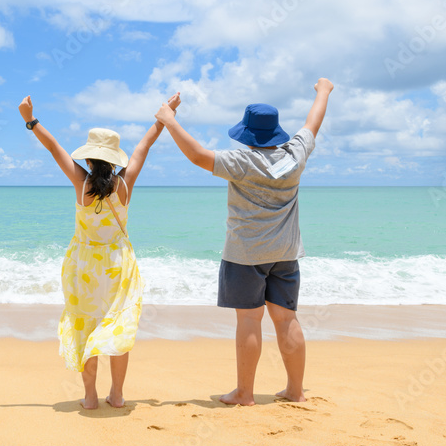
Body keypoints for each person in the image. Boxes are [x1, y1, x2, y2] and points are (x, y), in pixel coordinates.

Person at [154, 78, 334, 405]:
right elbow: (313, 122)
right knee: (286, 319)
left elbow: (197, 156)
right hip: (285, 254)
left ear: (248, 135)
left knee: (249, 319)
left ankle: (244, 393)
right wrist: (323, 91)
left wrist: (169, 120)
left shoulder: (242, 162)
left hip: (245, 255)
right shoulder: (295, 155)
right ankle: (296, 391)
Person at [18, 93, 180, 409]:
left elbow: (54, 148)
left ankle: (90, 397)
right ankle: (117, 395)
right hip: (118, 265)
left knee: (86, 325)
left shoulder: (82, 184)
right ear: (114, 160)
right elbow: (144, 146)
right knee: (118, 326)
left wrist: (30, 119)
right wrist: (165, 115)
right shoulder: (125, 184)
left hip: (84, 267)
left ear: (89, 160)